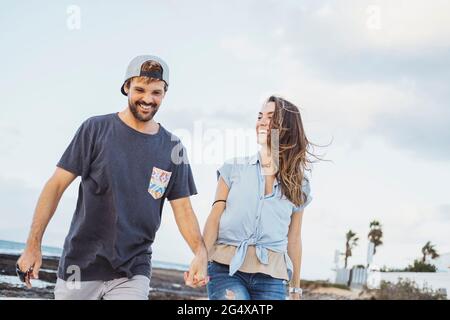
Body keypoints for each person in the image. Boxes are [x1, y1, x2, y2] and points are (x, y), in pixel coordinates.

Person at [16, 55, 208, 300]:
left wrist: (200, 254)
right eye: (140, 89)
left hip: (132, 270)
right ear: (126, 87)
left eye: (156, 93)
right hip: (80, 266)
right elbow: (55, 186)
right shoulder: (95, 129)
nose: (148, 99)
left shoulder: (173, 147)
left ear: (165, 93)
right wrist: (33, 245)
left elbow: (183, 209)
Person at [203, 96, 314, 300]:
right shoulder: (232, 169)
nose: (262, 122)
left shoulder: (300, 184)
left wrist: (296, 287)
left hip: (273, 277)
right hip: (225, 269)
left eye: (271, 117)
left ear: (287, 127)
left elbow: (294, 237)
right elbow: (214, 217)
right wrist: (200, 259)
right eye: (260, 116)